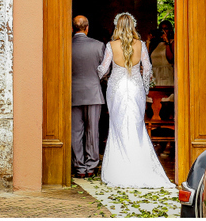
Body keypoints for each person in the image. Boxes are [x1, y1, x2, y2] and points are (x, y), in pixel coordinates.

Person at [97, 12, 173, 188]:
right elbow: (147, 69)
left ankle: (119, 170)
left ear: (117, 26)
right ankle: (140, 166)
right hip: (135, 89)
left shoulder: (110, 45)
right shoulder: (140, 45)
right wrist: (144, 89)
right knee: (137, 127)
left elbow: (103, 69)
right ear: (133, 26)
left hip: (117, 90)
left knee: (117, 127)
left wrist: (102, 75)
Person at [71, 15, 105, 179]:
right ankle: (91, 166)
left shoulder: (67, 45)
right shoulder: (98, 46)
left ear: (72, 29)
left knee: (76, 131)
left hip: (73, 94)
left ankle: (79, 167)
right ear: (87, 28)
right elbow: (105, 72)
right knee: (93, 131)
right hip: (93, 93)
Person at [150, 21, 175, 89]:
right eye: (161, 29)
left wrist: (167, 42)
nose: (163, 31)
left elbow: (171, 59)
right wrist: (149, 41)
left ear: (170, 30)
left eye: (166, 28)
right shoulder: (156, 44)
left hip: (166, 74)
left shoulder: (173, 42)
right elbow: (148, 59)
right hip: (155, 74)